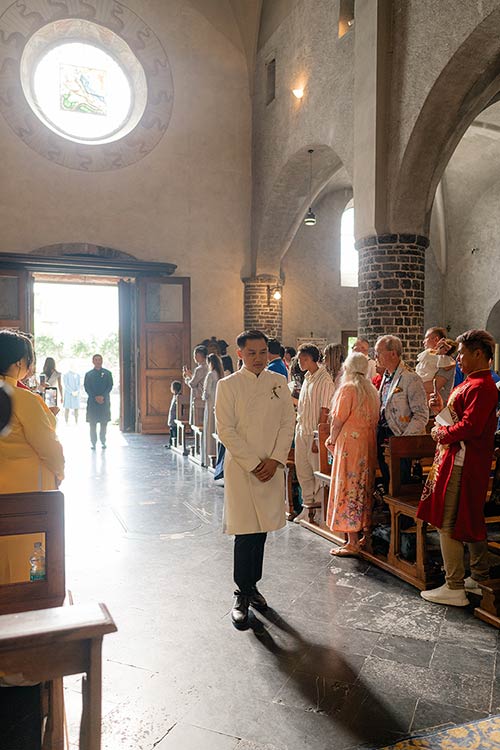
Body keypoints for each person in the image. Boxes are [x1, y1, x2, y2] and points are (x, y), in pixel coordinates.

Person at [215, 330, 296, 628]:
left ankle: (253, 586)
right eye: (252, 353)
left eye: (263, 352)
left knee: (261, 529)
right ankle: (242, 592)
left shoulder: (279, 382)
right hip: (243, 468)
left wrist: (275, 459)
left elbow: (288, 422)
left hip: (271, 467)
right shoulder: (228, 385)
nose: (259, 358)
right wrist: (253, 463)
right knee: (244, 530)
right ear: (240, 354)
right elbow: (225, 429)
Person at [418, 330, 498, 606]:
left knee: (447, 522)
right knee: (470, 519)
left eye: (462, 354)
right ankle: (477, 576)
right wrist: (441, 409)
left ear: (479, 354)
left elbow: (471, 427)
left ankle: (454, 585)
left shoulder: (482, 386)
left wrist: (441, 433)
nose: (459, 359)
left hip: (463, 461)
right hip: (459, 457)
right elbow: (458, 418)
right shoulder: (471, 383)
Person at [0, 330, 65, 584]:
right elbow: (49, 448)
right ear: (19, 363)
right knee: (24, 560)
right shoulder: (25, 399)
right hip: (25, 497)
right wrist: (59, 473)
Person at [326, 353, 380, 556]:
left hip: (350, 446)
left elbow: (338, 419)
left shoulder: (348, 388)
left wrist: (331, 438)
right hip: (367, 444)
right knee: (363, 486)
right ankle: (364, 534)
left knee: (347, 486)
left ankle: (352, 542)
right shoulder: (371, 390)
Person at [374, 335, 428, 491]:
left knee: (401, 483)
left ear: (393, 353)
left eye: (379, 352)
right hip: (383, 433)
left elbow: (421, 414)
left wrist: (404, 440)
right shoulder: (385, 376)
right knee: (387, 478)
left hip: (400, 435)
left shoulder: (410, 378)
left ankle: (402, 515)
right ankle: (388, 510)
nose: (375, 356)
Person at [292, 344, 336, 524]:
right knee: (302, 470)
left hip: (314, 433)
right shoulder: (308, 377)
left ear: (313, 359)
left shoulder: (324, 379)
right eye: (299, 359)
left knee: (316, 471)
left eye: (304, 359)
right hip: (302, 429)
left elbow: (325, 409)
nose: (301, 362)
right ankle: (307, 507)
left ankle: (318, 512)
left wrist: (319, 437)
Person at [416, 327, 456, 403]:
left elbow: (433, 387)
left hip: (437, 409)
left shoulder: (445, 361)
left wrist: (412, 384)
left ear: (436, 339)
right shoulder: (428, 357)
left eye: (426, 338)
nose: (423, 342)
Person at [84, 354, 113, 449]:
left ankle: (103, 441)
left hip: (104, 402)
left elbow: (110, 386)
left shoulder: (107, 373)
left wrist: (103, 396)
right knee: (92, 424)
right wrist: (95, 397)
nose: (98, 361)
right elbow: (87, 387)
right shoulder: (88, 374)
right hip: (93, 402)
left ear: (102, 361)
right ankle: (93, 442)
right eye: (96, 360)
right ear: (93, 361)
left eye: (99, 359)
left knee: (104, 423)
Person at [202, 353, 224, 466]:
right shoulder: (221, 374)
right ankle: (216, 454)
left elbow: (206, 393)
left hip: (210, 404)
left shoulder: (210, 375)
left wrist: (203, 395)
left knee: (209, 429)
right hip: (219, 404)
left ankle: (208, 457)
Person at [183, 345, 208, 425]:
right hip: (205, 397)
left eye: (195, 355)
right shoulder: (208, 366)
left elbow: (192, 384)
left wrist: (187, 377)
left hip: (198, 397)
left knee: (197, 421)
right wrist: (191, 375)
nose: (194, 358)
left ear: (199, 355)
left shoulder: (199, 369)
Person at [166, 380, 182, 448]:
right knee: (171, 431)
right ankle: (170, 443)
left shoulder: (178, 397)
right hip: (172, 416)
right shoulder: (174, 396)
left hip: (175, 417)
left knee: (174, 431)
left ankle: (174, 444)